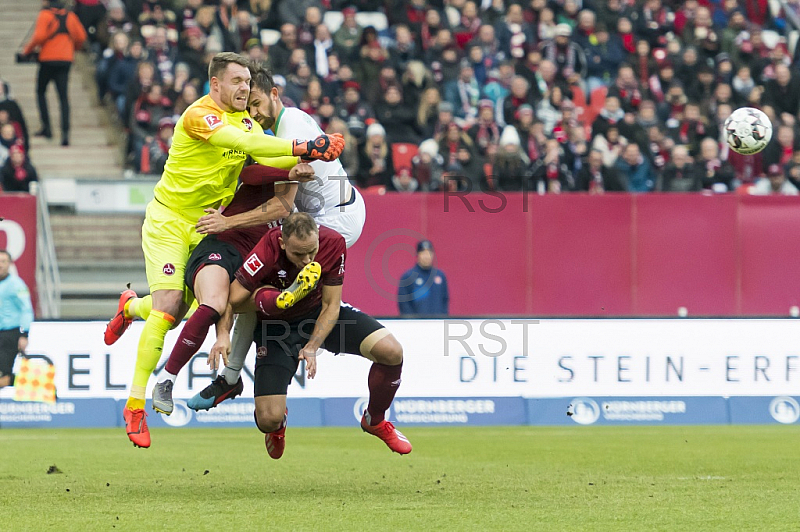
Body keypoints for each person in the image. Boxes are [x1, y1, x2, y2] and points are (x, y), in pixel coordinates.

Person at [106, 52, 344, 449]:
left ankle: (130, 307)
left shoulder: (248, 120)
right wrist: (305, 144)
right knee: (167, 308)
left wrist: (305, 156)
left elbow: (264, 150)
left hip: (207, 224)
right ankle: (135, 406)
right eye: (236, 81)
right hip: (170, 220)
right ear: (214, 84)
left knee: (183, 307)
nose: (244, 88)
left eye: (248, 82)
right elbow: (240, 142)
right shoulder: (201, 116)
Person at [185, 64, 369, 425]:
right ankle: (233, 376)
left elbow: (283, 204)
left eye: (256, 103)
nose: (252, 113)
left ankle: (241, 370)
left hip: (334, 220)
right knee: (254, 288)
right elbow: (252, 173)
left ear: (273, 94)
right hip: (323, 214)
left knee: (257, 290)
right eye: (247, 106)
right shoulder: (278, 130)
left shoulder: (292, 130)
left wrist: (226, 221)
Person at [206, 213, 411, 457]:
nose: (307, 260)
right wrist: (226, 332)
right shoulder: (266, 249)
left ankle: (374, 420)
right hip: (276, 328)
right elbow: (234, 300)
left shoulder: (333, 243)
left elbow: (331, 305)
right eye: (298, 254)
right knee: (268, 419)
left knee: (391, 351)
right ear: (283, 243)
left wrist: (312, 345)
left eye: (311, 252)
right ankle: (278, 425)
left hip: (318, 315)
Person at [147, 161, 314, 415]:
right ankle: (166, 379)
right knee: (212, 302)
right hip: (222, 247)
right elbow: (249, 173)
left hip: (252, 264)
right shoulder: (276, 166)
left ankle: (232, 379)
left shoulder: (303, 221)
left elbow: (235, 301)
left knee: (261, 301)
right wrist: (288, 171)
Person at [21, 0, 88, 147]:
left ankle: (47, 127)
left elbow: (39, 37)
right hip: (65, 59)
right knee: (63, 97)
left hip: (48, 59)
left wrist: (27, 50)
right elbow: (81, 36)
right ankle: (65, 133)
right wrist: (73, 47)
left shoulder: (45, 15)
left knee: (40, 91)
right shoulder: (70, 16)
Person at [0, 251, 34, 391]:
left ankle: (33, 383)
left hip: (9, 334)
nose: (0, 265)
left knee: (3, 378)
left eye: (3, 262)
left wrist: (24, 334)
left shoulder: (16, 284)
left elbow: (26, 309)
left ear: (9, 264)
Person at [398, 240, 449, 316]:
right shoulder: (408, 277)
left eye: (429, 252)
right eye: (423, 253)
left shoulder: (440, 276)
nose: (427, 256)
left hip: (437, 323)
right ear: (418, 255)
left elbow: (445, 300)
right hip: (416, 324)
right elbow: (404, 303)